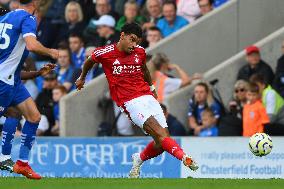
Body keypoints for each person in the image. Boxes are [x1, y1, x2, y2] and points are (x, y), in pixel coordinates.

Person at [75, 22, 198, 178]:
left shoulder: (140, 52)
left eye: (137, 42)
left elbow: (145, 69)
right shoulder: (105, 52)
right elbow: (89, 61)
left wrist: (152, 88)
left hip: (147, 96)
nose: (134, 45)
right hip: (129, 102)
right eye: (132, 40)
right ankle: (184, 157)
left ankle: (138, 159)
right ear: (122, 35)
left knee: (161, 143)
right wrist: (82, 78)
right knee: (161, 134)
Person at [0, 0, 59, 179]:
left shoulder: (6, 17)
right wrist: (51, 52)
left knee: (33, 117)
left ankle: (21, 163)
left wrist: (37, 73)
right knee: (12, 113)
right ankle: (4, 158)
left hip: (12, 80)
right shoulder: (28, 18)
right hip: (3, 81)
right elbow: (32, 45)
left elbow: (11, 63)